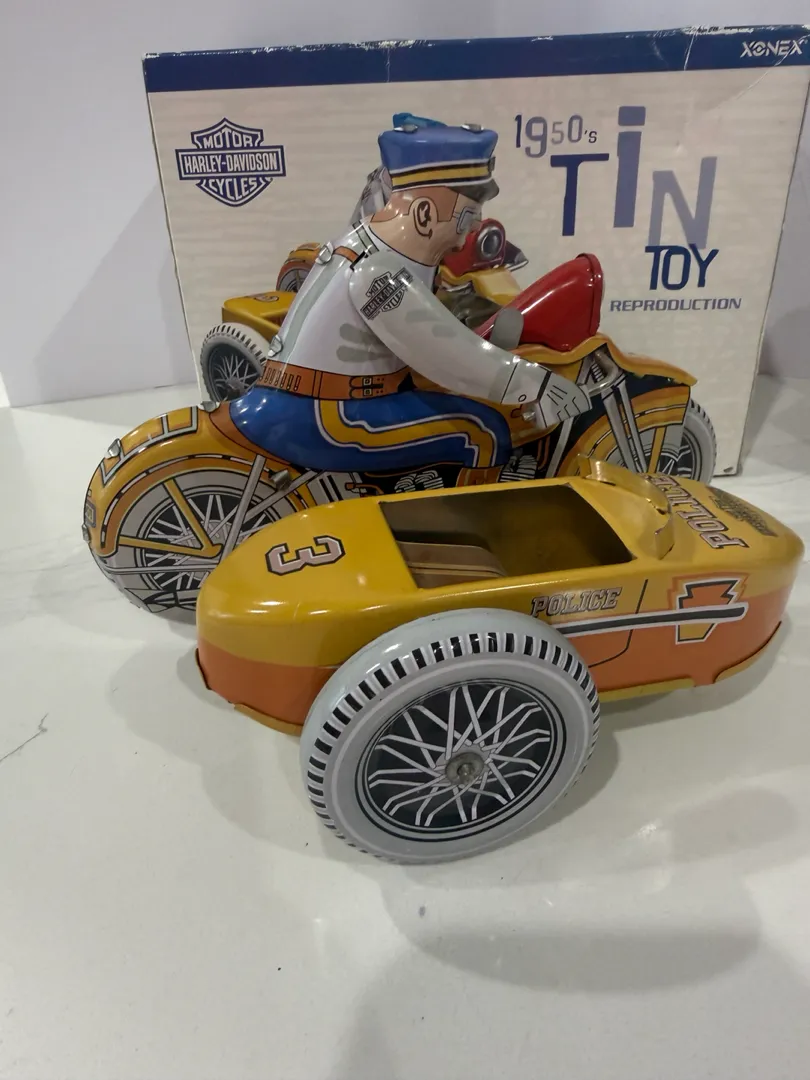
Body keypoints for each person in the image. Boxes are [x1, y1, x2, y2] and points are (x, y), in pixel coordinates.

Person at [229, 114, 588, 477]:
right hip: (324, 415)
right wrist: (535, 384)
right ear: (424, 215)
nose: (471, 230)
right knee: (483, 431)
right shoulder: (378, 273)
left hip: (322, 399)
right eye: (467, 217)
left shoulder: (369, 241)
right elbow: (444, 353)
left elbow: (433, 325)